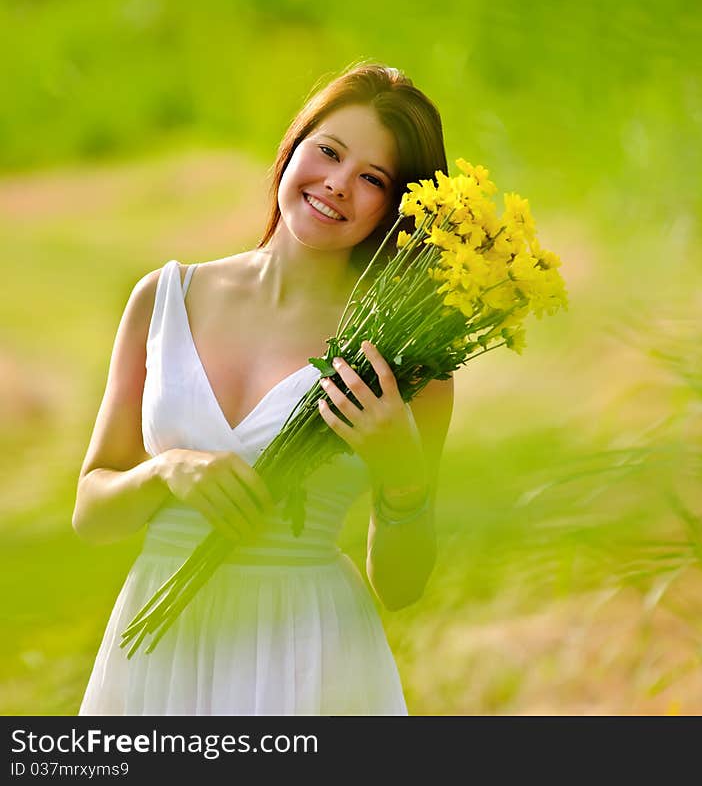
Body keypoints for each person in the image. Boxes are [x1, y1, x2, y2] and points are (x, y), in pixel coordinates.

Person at [72, 62, 454, 715]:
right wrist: (168, 471)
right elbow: (90, 511)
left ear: (396, 211)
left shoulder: (402, 357)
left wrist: (403, 475)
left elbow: (401, 585)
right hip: (159, 656)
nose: (336, 184)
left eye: (372, 179)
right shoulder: (164, 298)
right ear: (293, 147)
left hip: (307, 655)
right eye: (328, 151)